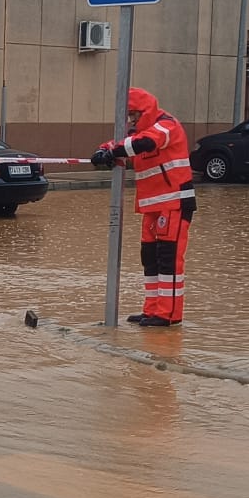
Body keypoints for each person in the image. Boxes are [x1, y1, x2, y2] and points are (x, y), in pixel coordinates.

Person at [91, 86, 194, 326]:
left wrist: (114, 150)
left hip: (174, 202)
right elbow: (126, 143)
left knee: (169, 260)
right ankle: (152, 309)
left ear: (143, 110)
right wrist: (104, 150)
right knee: (150, 259)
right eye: (129, 116)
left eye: (133, 115)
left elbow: (145, 143)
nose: (131, 120)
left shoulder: (166, 125)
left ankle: (168, 315)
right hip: (152, 206)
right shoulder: (138, 133)